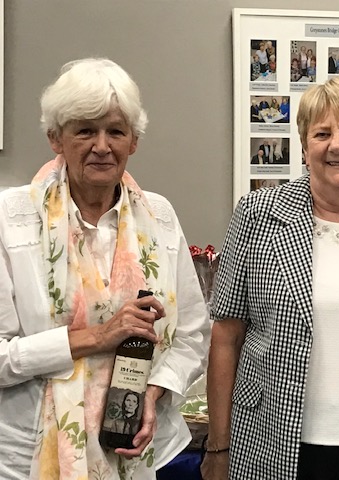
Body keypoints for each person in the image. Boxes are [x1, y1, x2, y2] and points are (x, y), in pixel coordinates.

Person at [201, 76, 339, 480]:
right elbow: (226, 336)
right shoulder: (257, 215)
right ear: (305, 149)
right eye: (322, 134)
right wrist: (218, 447)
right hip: (272, 445)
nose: (337, 145)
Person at [0, 58, 210, 480]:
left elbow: (192, 334)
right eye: (84, 130)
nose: (102, 146)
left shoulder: (160, 216)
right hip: (29, 458)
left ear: (134, 142)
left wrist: (153, 393)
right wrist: (97, 336)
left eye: (116, 131)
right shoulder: (10, 218)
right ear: (55, 138)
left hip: (140, 451)